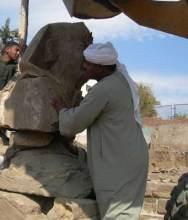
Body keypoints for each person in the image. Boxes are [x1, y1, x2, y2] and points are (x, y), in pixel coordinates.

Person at [52, 42, 148, 219]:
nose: (84, 67)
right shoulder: (118, 81)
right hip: (127, 158)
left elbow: (73, 123)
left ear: (99, 66)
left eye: (88, 64)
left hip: (121, 164)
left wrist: (61, 110)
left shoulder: (104, 89)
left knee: (118, 214)